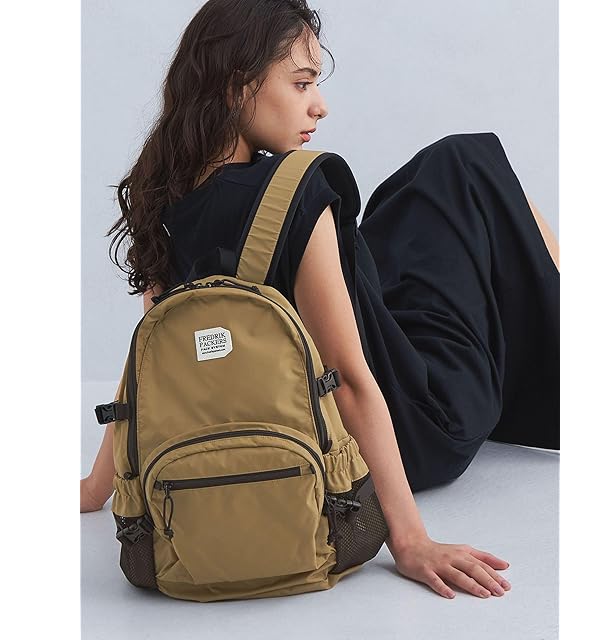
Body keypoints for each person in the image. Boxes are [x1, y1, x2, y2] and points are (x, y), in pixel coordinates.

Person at [82, 0, 560, 601]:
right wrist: (410, 540)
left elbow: (152, 367)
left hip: (314, 432)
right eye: (302, 83)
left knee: (407, 208)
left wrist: (95, 490)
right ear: (237, 87)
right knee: (465, 165)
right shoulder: (297, 192)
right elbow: (352, 379)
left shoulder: (160, 199)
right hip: (418, 424)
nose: (320, 105)